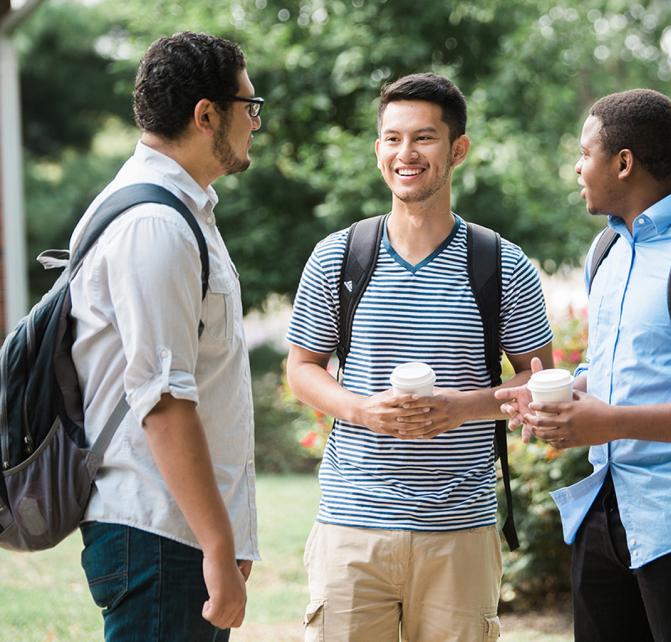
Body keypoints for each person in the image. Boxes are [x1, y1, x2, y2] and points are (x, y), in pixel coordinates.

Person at [497, 89, 671, 641]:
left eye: (585, 153)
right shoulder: (605, 251)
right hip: (604, 512)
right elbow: (617, 372)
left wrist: (613, 421)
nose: (576, 167)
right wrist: (566, 397)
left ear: (623, 163)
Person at [286, 72, 553, 642]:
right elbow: (302, 368)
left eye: (424, 138)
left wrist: (465, 407)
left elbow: (540, 377)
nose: (405, 154)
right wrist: (362, 411)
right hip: (352, 529)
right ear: (379, 148)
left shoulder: (501, 264)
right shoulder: (339, 256)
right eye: (392, 138)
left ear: (458, 149)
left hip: (461, 533)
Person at [73, 32, 262, 640]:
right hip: (160, 536)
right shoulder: (155, 223)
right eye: (249, 107)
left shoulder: (181, 210)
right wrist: (215, 542)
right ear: (207, 115)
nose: (255, 123)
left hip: (175, 534)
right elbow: (164, 399)